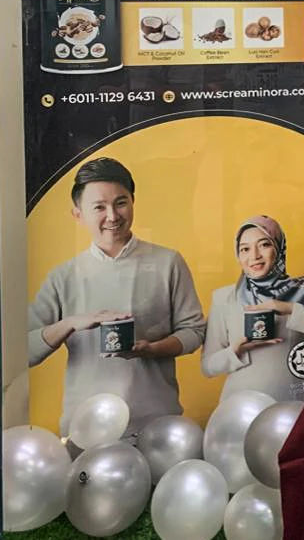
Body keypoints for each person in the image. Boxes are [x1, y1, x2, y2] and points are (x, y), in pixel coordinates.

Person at [28, 157, 206, 438]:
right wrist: (70, 323)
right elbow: (23, 352)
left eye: (120, 203)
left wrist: (151, 349)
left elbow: (194, 331)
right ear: (78, 214)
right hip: (85, 428)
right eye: (99, 207)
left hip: (156, 425)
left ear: (133, 202)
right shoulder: (63, 276)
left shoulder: (168, 262)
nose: (112, 216)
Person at [201, 215, 304, 402]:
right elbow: (208, 366)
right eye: (245, 249)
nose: (254, 256)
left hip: (293, 401)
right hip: (240, 406)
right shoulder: (224, 297)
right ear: (238, 255)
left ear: (278, 247)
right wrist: (235, 351)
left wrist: (292, 309)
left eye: (264, 245)